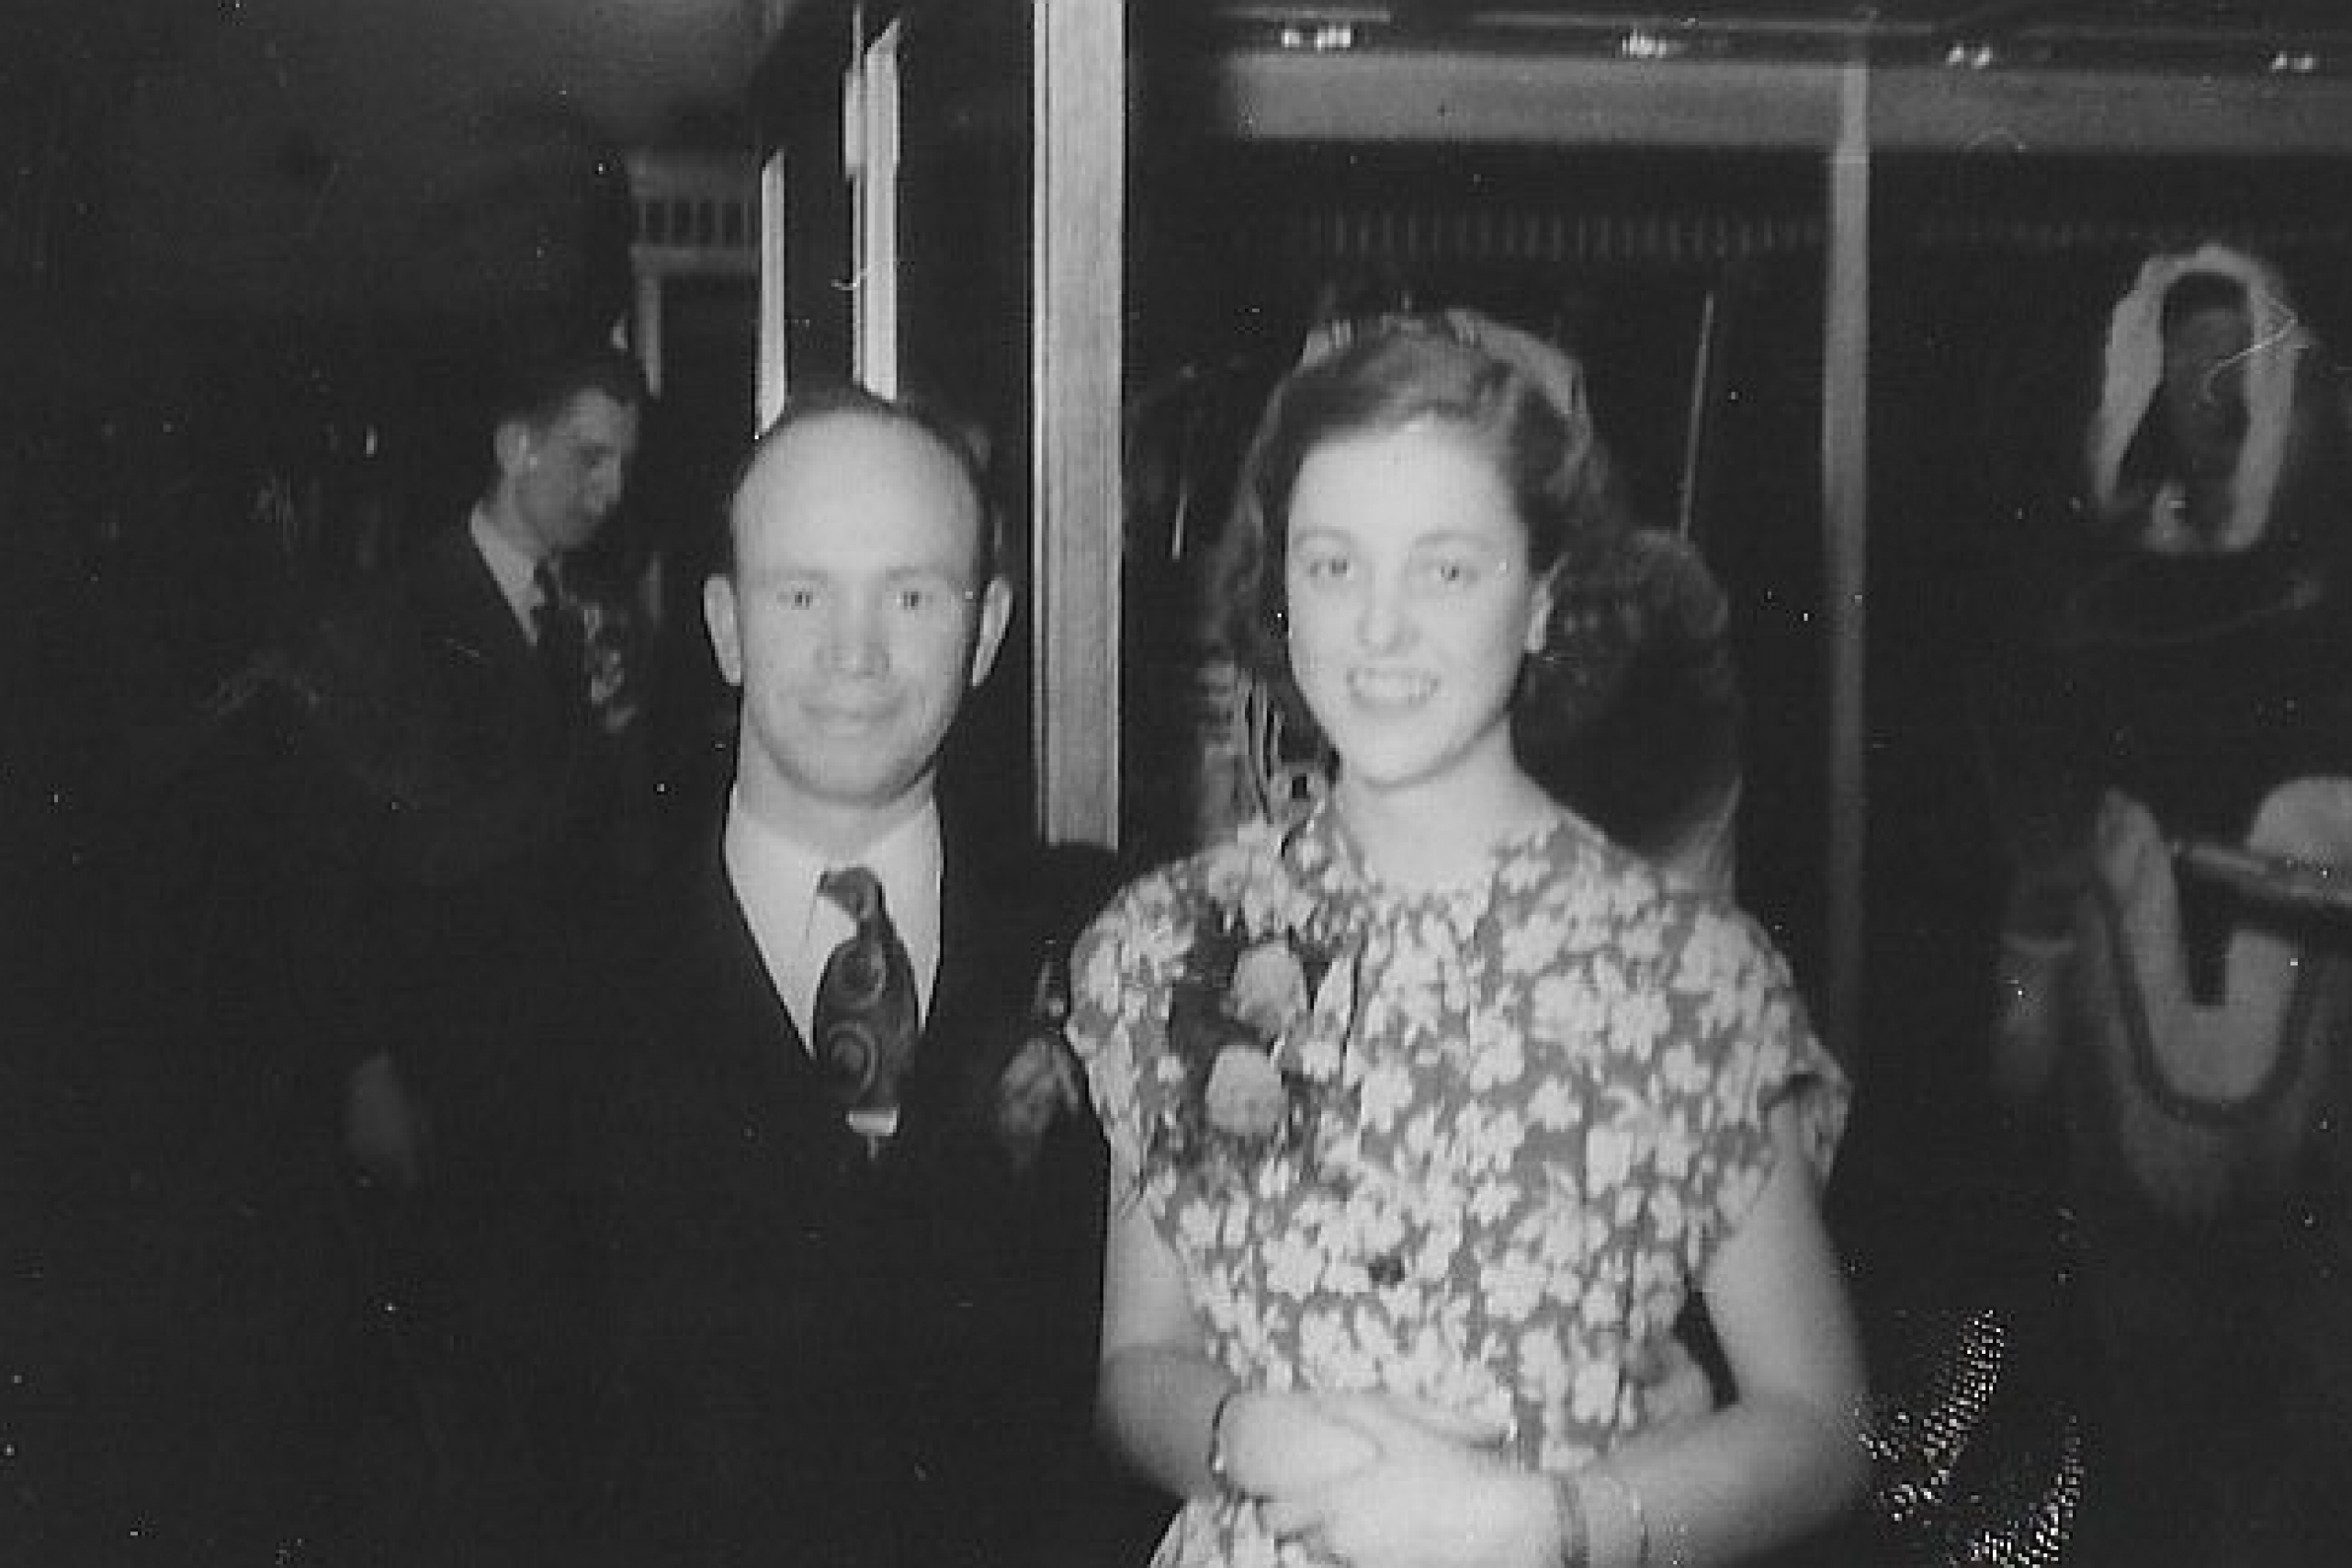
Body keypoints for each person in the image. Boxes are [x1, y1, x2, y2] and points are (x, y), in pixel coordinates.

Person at [1069, 311, 1867, 1568]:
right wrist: (1235, 1435)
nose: (1381, 629)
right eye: (1334, 567)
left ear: (1546, 599)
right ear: (1278, 591)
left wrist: (1541, 1523)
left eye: (1446, 569)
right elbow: (1135, 1366)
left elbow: (1818, 1424)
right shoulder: (1171, 941)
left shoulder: (1684, 975)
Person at [599, 383, 1149, 1568]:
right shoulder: (562, 981)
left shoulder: (1119, 943)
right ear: (727, 625)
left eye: (910, 594)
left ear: (988, 630)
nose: (855, 654)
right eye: (803, 594)